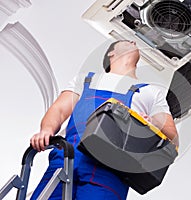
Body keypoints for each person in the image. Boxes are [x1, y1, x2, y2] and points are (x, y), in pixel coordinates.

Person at [30, 40, 179, 199]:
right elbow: (59, 110)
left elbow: (173, 139)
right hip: (68, 157)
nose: (133, 41)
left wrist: (153, 124)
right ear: (111, 53)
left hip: (113, 170)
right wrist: (46, 130)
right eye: (126, 41)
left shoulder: (151, 92)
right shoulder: (85, 80)